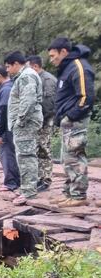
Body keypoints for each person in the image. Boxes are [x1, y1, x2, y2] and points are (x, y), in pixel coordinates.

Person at [48, 37, 96, 207]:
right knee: (67, 158)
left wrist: (71, 116)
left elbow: (87, 97)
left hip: (75, 121)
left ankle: (78, 196)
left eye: (54, 56)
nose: (52, 60)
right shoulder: (66, 68)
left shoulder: (78, 67)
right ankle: (69, 192)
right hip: (67, 123)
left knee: (75, 156)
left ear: (64, 52)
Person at [6, 51, 43, 205]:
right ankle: (26, 187)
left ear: (16, 64)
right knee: (23, 155)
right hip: (23, 123)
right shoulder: (23, 76)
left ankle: (28, 191)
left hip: (26, 123)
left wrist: (20, 120)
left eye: (8, 66)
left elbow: (28, 100)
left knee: (26, 156)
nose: (7, 70)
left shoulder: (27, 75)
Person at [26, 55, 58, 192]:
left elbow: (49, 104)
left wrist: (40, 120)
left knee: (44, 149)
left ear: (35, 66)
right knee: (36, 149)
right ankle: (39, 178)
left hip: (45, 121)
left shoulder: (48, 79)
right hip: (35, 121)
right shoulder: (34, 79)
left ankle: (45, 179)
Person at [0, 64, 20, 191]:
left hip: (7, 129)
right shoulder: (8, 87)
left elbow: (4, 111)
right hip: (10, 127)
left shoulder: (6, 89)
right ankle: (14, 181)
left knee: (7, 156)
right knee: (11, 155)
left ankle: (11, 183)